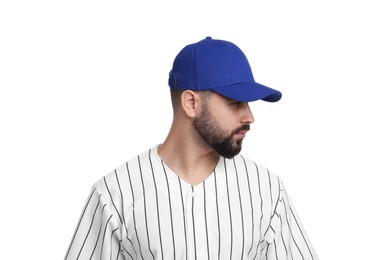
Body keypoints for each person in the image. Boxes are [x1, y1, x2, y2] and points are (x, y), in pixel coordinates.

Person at [64, 36, 318, 260]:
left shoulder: (267, 191)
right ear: (191, 103)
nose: (249, 116)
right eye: (236, 103)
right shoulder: (115, 194)